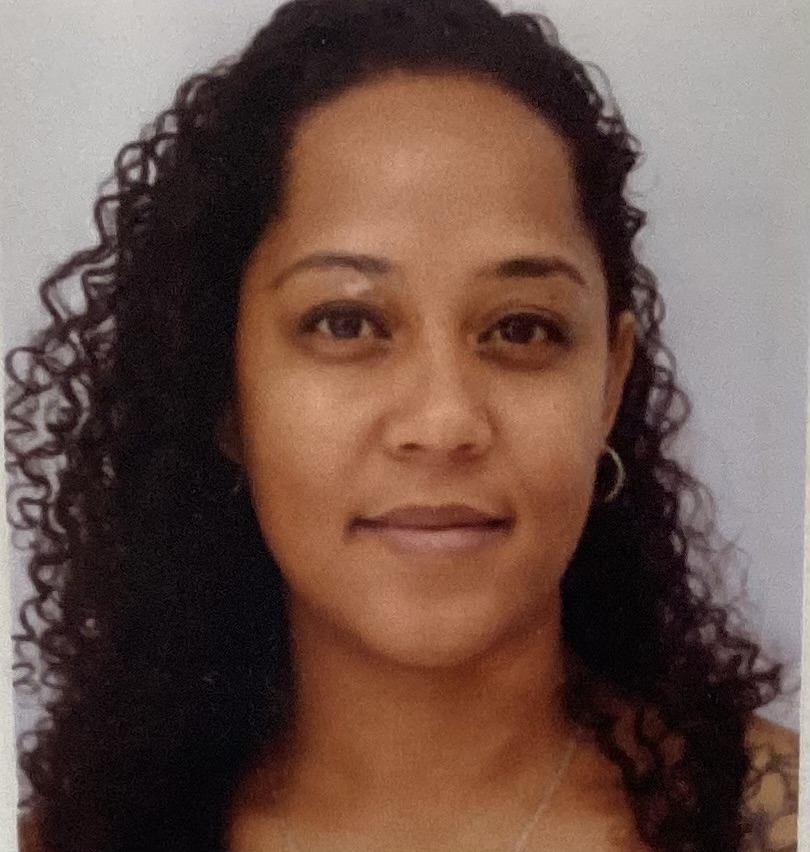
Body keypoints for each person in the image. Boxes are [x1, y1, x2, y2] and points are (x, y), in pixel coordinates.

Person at [5, 0, 799, 850]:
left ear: (609, 382)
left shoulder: (769, 821)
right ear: (224, 390)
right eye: (346, 323)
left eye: (522, 328)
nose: (444, 421)